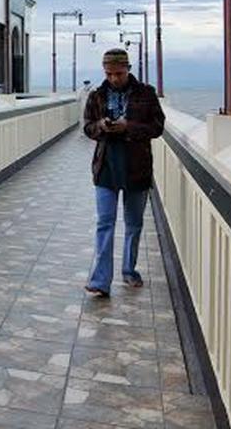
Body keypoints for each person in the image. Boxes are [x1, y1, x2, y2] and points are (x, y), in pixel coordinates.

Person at [82, 48, 165, 299]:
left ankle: (129, 270)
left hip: (136, 167)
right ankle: (100, 281)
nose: (114, 78)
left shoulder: (146, 94)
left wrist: (128, 126)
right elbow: (87, 127)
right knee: (104, 223)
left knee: (133, 223)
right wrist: (101, 126)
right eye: (109, 74)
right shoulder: (97, 95)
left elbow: (157, 126)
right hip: (106, 166)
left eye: (118, 73)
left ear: (128, 69)